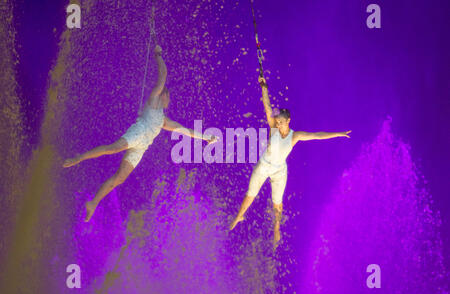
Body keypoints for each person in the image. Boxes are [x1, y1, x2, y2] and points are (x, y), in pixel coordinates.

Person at [63, 45, 217, 222]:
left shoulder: (164, 121)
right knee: (114, 148)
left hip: (141, 147)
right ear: (163, 95)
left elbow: (186, 131)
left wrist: (207, 138)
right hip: (138, 132)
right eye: (168, 97)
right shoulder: (153, 100)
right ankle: (79, 157)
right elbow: (163, 77)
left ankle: (93, 203)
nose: (169, 100)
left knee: (119, 179)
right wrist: (158, 54)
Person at [229, 76, 351, 246]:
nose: (278, 125)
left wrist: (337, 134)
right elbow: (267, 105)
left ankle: (276, 227)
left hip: (280, 171)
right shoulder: (273, 128)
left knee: (277, 204)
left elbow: (317, 136)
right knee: (251, 193)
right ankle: (238, 216)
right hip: (264, 165)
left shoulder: (295, 136)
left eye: (280, 122)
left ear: (288, 121)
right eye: (277, 122)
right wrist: (263, 86)